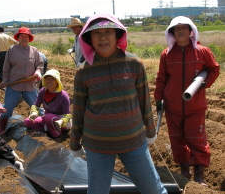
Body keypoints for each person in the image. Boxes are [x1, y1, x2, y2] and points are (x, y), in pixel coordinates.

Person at [69, 13, 167, 194]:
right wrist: (75, 142)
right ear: (89, 38)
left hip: (133, 141)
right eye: (97, 33)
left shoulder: (134, 64)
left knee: (153, 189)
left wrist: (150, 131)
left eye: (108, 32)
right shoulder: (83, 71)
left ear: (117, 35)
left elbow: (144, 100)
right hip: (98, 144)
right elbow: (78, 109)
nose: (103, 37)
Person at [154, 16, 220, 187]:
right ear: (172, 33)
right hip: (173, 105)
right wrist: (158, 98)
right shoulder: (167, 54)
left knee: (196, 139)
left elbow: (214, 69)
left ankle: (199, 175)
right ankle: (184, 171)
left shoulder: (203, 52)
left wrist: (205, 83)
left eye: (184, 28)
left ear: (191, 31)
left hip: (195, 106)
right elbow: (161, 77)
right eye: (177, 29)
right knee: (177, 140)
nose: (181, 31)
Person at [0, 27, 44, 135]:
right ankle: (1, 128)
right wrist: (5, 80)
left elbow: (40, 65)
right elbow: (6, 67)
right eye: (21, 36)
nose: (24, 38)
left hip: (29, 85)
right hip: (14, 85)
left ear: (29, 38)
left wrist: (37, 72)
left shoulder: (34, 50)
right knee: (8, 108)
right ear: (18, 38)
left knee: (36, 107)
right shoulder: (12, 50)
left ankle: (43, 125)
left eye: (26, 36)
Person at [23, 69, 71, 138]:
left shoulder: (63, 95)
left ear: (57, 81)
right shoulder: (43, 91)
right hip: (47, 119)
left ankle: (57, 136)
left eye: (52, 79)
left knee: (48, 117)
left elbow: (67, 115)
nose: (49, 81)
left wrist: (61, 121)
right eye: (47, 79)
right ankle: (47, 132)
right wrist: (34, 112)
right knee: (27, 122)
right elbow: (36, 105)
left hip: (61, 123)